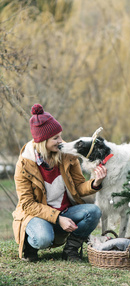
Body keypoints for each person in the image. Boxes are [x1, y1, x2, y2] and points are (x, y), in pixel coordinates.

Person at [12, 103, 107, 262]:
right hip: (36, 215)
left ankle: (70, 249)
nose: (61, 141)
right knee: (43, 238)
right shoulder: (24, 165)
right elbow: (27, 204)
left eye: (60, 136)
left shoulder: (67, 156)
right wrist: (58, 218)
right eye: (56, 138)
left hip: (64, 212)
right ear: (42, 141)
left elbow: (78, 188)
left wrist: (95, 183)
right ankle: (29, 245)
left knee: (94, 212)